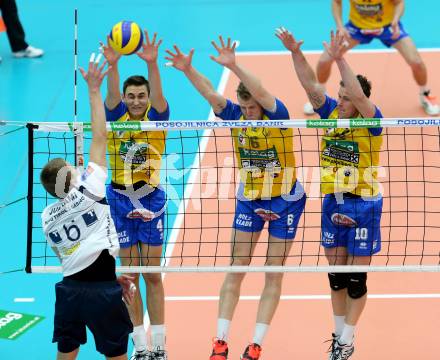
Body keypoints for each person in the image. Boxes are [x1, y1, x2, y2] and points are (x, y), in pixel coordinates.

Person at [165, 36, 306, 360]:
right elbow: (211, 94)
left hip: (285, 199)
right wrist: (188, 70)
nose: (247, 112)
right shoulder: (236, 118)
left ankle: (256, 345)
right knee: (237, 266)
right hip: (251, 199)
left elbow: (263, 93)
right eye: (243, 108)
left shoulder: (278, 117)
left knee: (273, 270)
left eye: (251, 107)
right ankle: (220, 342)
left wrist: (234, 66)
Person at [277, 28, 383, 360]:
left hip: (363, 204)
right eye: (341, 95)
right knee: (336, 278)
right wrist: (295, 52)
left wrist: (339, 59)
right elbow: (311, 86)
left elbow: (361, 98)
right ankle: (339, 338)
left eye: (347, 96)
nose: (342, 100)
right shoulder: (330, 116)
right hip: (332, 203)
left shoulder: (371, 120)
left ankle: (348, 339)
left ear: (361, 99)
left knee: (356, 280)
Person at [40, 54, 134, 360]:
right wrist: (94, 90)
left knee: (67, 351)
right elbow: (101, 136)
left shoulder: (45, 217)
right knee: (116, 353)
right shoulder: (91, 187)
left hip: (69, 292)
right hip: (101, 294)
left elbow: (73, 254)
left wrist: (108, 275)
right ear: (69, 176)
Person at [101, 30, 169, 360]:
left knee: (153, 275)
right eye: (132, 96)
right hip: (119, 199)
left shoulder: (158, 118)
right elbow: (111, 96)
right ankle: (140, 345)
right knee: (129, 277)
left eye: (142, 95)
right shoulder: (116, 118)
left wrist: (153, 64)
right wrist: (112, 66)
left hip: (151, 200)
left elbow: (158, 98)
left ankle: (160, 345)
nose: (137, 100)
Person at [303, 0, 439, 116]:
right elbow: (336, 2)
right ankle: (320, 96)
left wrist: (396, 20)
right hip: (356, 28)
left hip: (386, 27)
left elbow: (399, 3)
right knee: (324, 60)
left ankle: (425, 94)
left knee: (417, 62)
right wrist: (340, 26)